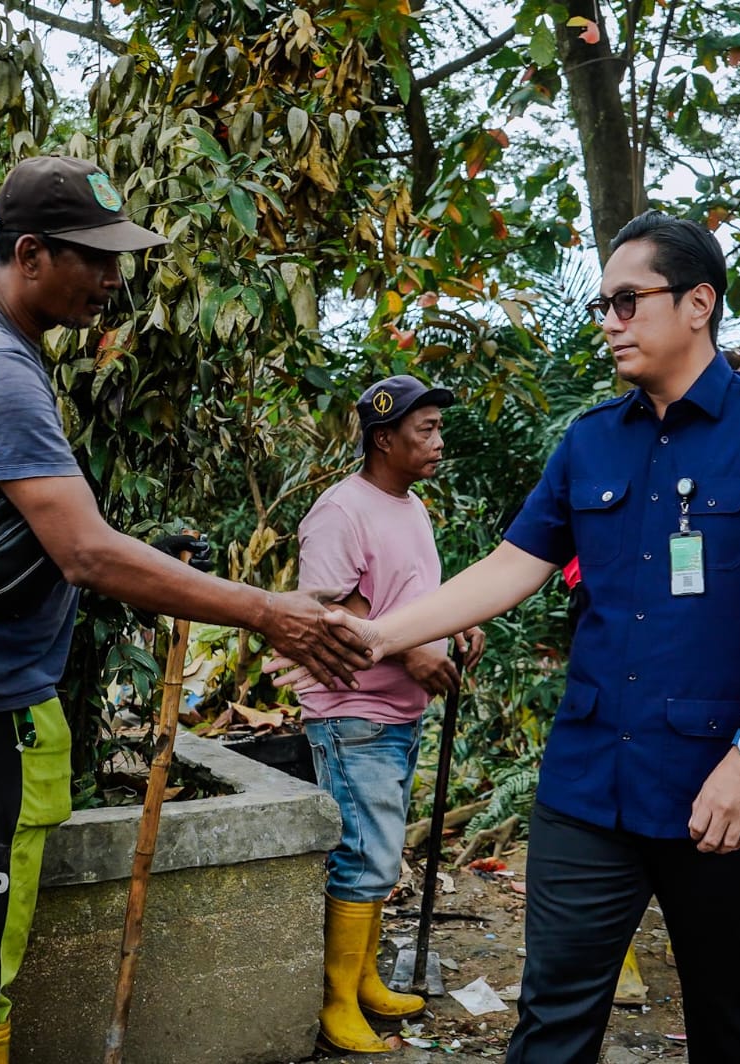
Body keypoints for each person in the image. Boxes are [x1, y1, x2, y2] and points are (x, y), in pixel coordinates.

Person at [279, 210, 740, 1062]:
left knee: (728, 1011)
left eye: (629, 301)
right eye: (603, 306)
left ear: (699, 303)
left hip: (722, 779)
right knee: (551, 1018)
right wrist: (370, 637)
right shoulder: (591, 440)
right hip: (590, 779)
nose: (611, 322)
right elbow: (512, 567)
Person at [0, 155, 370, 1064]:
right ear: (34, 254)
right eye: (98, 258)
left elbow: (52, 528)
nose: (115, 280)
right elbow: (83, 550)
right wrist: (264, 610)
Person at [296, 375, 485, 1053]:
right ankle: (335, 1002)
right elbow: (328, 607)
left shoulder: (412, 507)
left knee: (376, 857)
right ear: (383, 439)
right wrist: (411, 657)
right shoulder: (340, 511)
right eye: (425, 429)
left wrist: (455, 630)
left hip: (393, 715)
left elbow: (409, 602)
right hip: (351, 711)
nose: (439, 440)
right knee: (362, 861)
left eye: (438, 427)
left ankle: (365, 981)